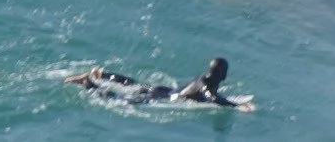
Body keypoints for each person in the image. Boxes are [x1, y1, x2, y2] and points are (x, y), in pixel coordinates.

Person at [67, 58, 236, 106]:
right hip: (161, 97)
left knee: (131, 84)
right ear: (223, 74)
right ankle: (88, 82)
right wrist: (235, 106)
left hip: (163, 90)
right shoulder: (208, 84)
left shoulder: (203, 78)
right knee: (120, 100)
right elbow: (211, 97)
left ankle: (102, 74)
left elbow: (210, 95)